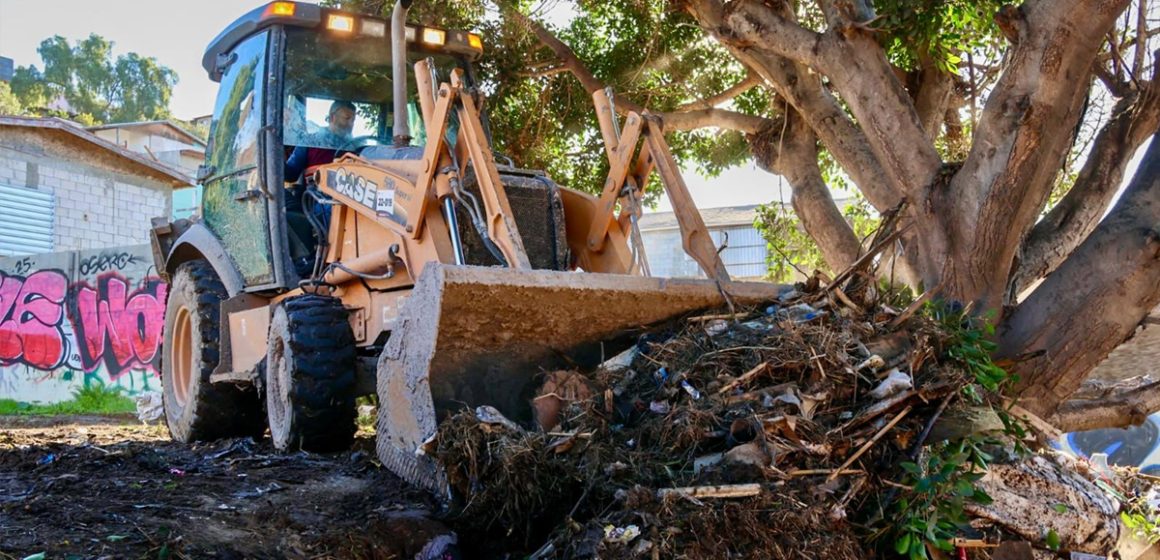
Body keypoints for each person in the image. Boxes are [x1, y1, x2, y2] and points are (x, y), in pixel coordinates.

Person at [284, 99, 357, 184]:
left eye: (353, 120)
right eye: (347, 118)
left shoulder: (354, 148)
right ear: (332, 117)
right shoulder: (310, 141)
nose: (351, 124)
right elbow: (290, 175)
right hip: (315, 194)